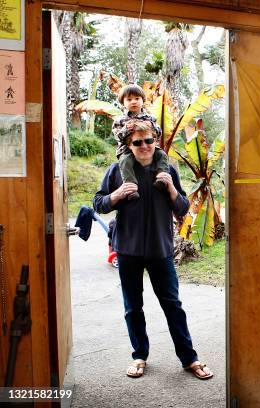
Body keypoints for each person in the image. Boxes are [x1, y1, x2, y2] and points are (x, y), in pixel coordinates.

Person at [93, 119, 213, 380]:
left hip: (161, 250)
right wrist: (116, 195)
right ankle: (139, 356)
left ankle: (189, 357)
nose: (144, 146)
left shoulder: (167, 169)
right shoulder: (117, 171)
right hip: (128, 251)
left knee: (173, 306)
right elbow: (98, 203)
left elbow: (182, 208)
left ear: (155, 141)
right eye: (137, 142)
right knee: (132, 307)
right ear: (129, 144)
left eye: (149, 141)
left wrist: (170, 187)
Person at [113, 84, 169, 200]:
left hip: (148, 148)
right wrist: (125, 129)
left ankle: (161, 178)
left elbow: (158, 133)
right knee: (125, 161)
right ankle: (131, 188)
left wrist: (152, 126)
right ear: (123, 103)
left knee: (162, 154)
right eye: (129, 99)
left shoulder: (150, 118)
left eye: (137, 98)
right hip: (127, 150)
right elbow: (117, 137)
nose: (133, 102)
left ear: (143, 100)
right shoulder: (120, 120)